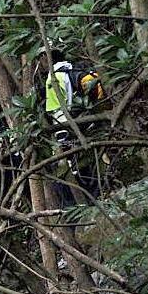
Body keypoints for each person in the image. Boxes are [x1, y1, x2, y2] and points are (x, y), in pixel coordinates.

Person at [45, 49, 102, 207]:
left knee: (66, 165)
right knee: (80, 159)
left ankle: (77, 204)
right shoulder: (69, 69)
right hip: (76, 120)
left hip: (63, 124)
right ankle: (92, 196)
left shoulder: (56, 75)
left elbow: (54, 107)